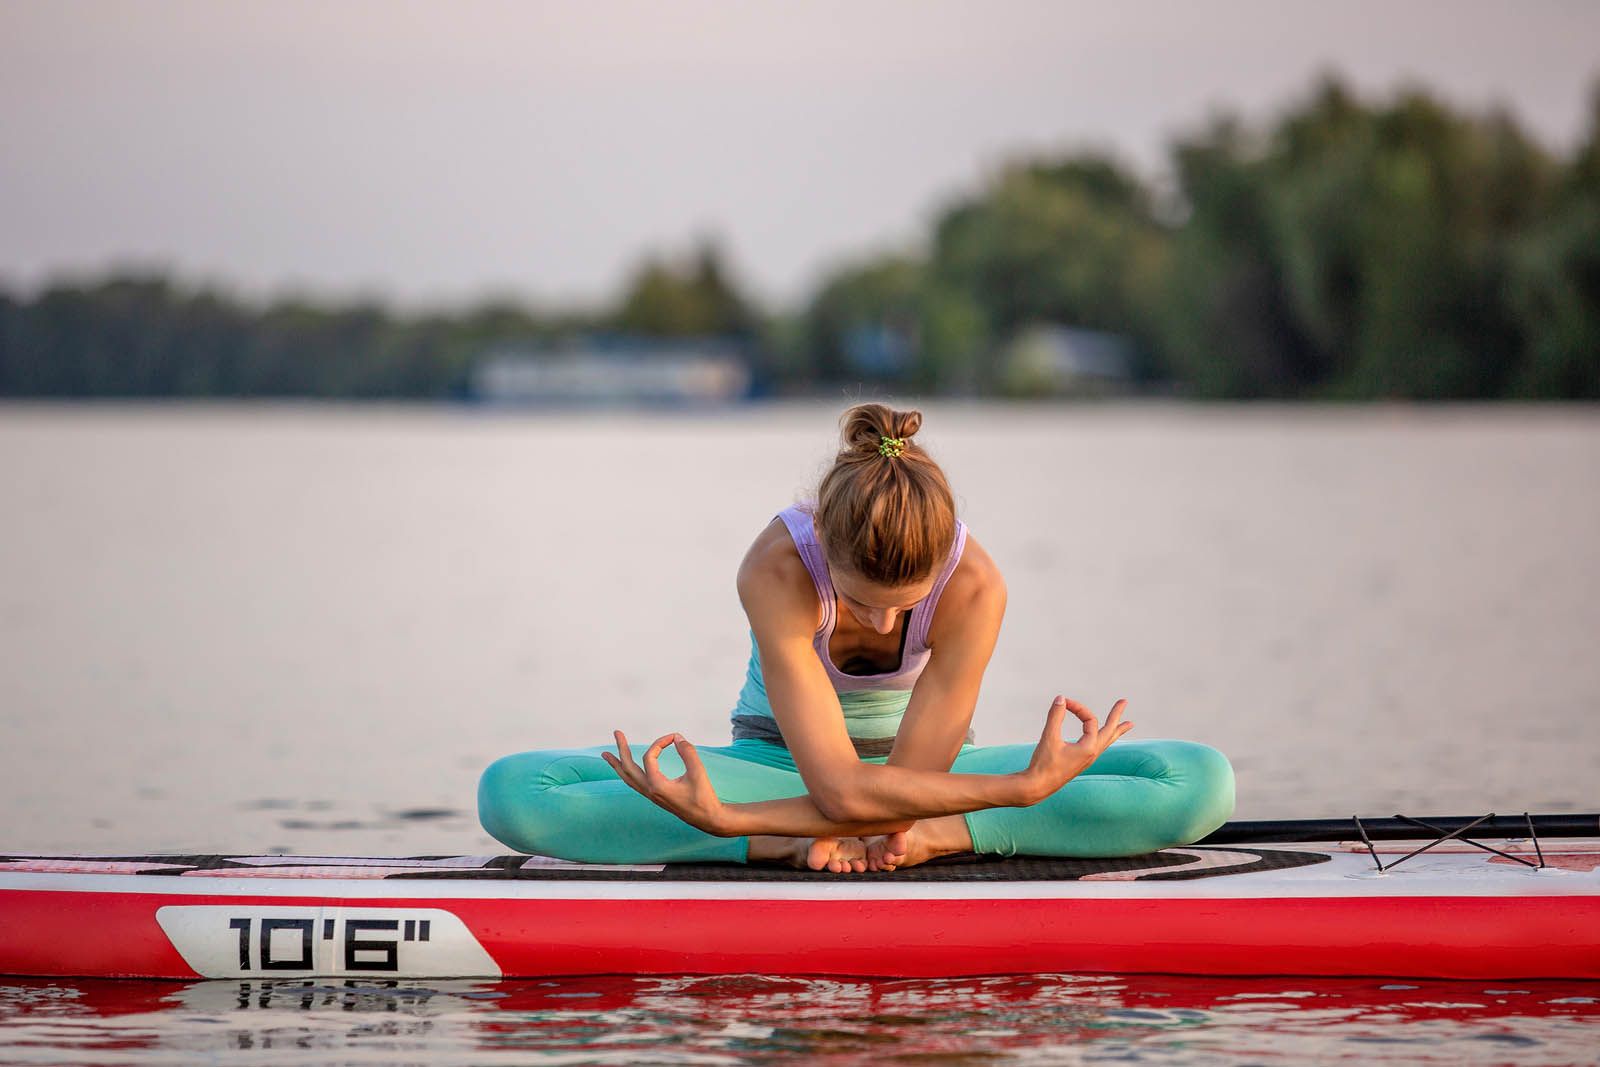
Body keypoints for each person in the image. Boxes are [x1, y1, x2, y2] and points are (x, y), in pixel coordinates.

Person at [478, 404, 1234, 872]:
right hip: (780, 769)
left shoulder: (975, 584)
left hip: (923, 788)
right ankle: (806, 843)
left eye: (900, 608)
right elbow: (842, 792)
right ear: (824, 555)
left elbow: (893, 802)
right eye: (859, 602)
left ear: (938, 568)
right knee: (514, 791)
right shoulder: (775, 567)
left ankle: (944, 839)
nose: (878, 623)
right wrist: (1025, 791)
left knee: (1201, 780)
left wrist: (724, 824)